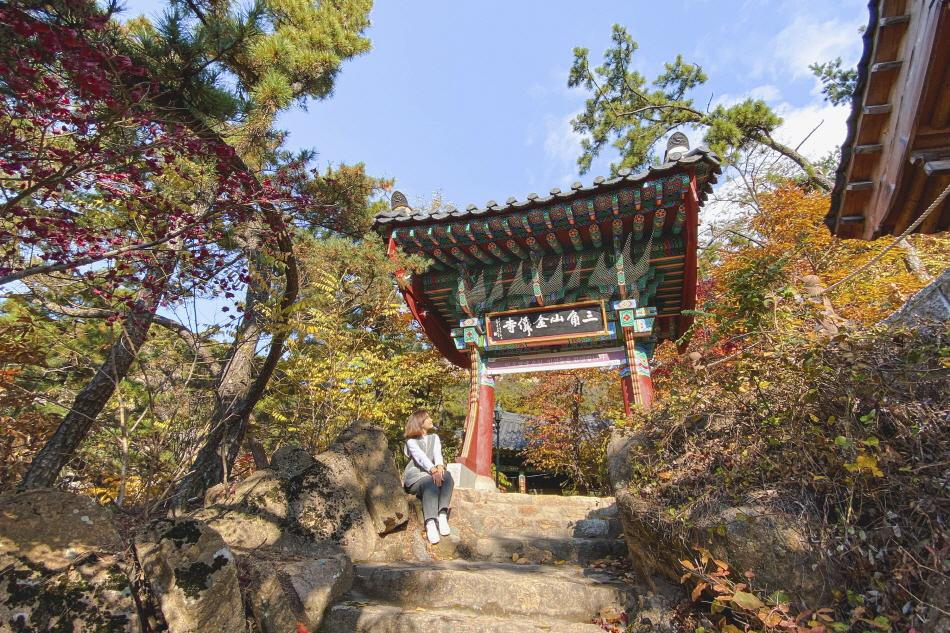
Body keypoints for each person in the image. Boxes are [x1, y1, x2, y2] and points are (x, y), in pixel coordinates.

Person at [402, 409, 454, 544]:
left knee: (448, 477)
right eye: (428, 418)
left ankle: (442, 514)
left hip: (432, 473)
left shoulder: (434, 438)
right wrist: (433, 470)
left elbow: (437, 454)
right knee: (430, 483)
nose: (431, 420)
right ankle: (430, 522)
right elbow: (420, 458)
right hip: (416, 477)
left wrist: (440, 467)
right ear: (420, 422)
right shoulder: (411, 441)